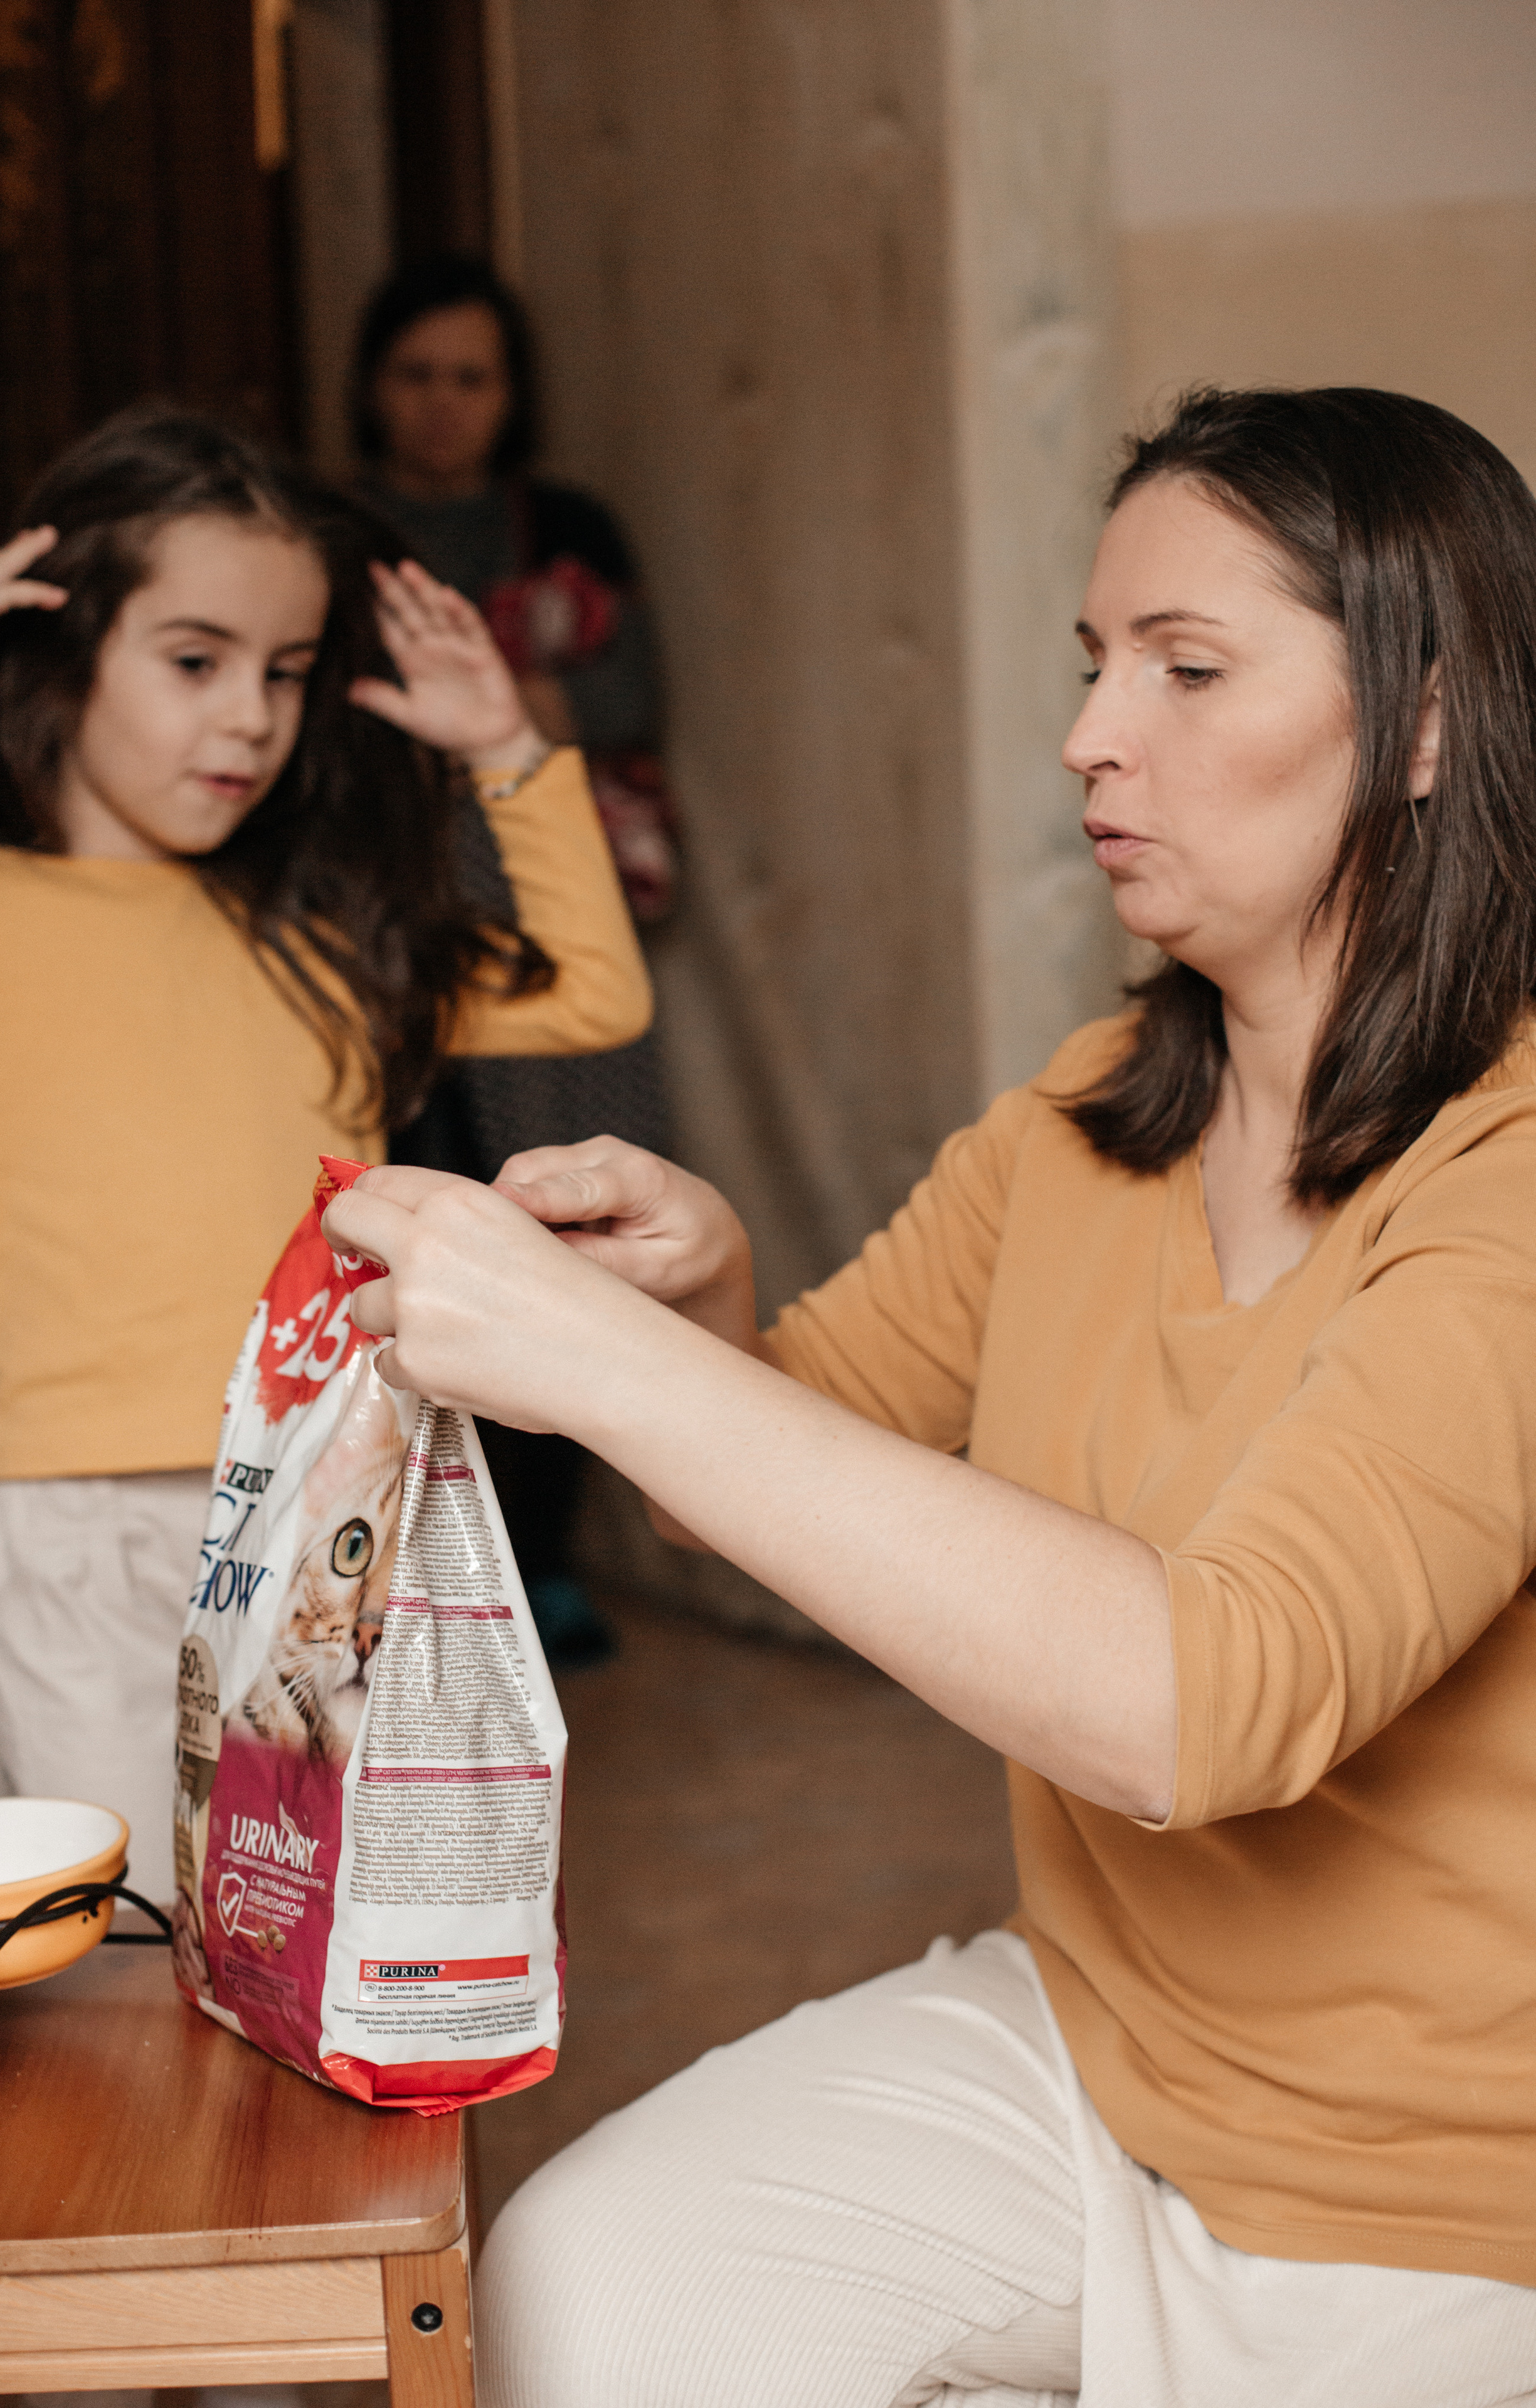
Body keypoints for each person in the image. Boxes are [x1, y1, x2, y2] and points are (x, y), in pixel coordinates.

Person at [324, 388, 1536, 2406]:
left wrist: (605, 1360)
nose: (1089, 737)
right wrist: (702, 1307)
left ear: (1422, 723)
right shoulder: (1082, 1117)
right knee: (583, 2287)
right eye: (1093, 666)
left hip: (1454, 2190)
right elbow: (786, 1467)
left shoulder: (1510, 1171)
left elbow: (1203, 1704)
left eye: (1187, 667)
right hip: (1101, 2045)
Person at [0, 405, 650, 1900]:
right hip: (81, 1516)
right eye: (195, 663)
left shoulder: (330, 935)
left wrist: (511, 747)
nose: (250, 718)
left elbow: (596, 990)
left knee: (335, 1924)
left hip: (333, 1494)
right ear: (60, 653)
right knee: (104, 1946)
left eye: (285, 673)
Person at [354, 250, 675, 1665]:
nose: (441, 404)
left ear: (510, 392)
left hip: (544, 899)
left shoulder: (569, 525)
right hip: (383, 920)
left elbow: (626, 690)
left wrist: (488, 713)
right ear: (374, 382)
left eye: (469, 377)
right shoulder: (335, 532)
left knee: (552, 1219)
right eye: (416, 373)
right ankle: (412, 1568)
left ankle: (539, 1561)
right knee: (402, 1211)